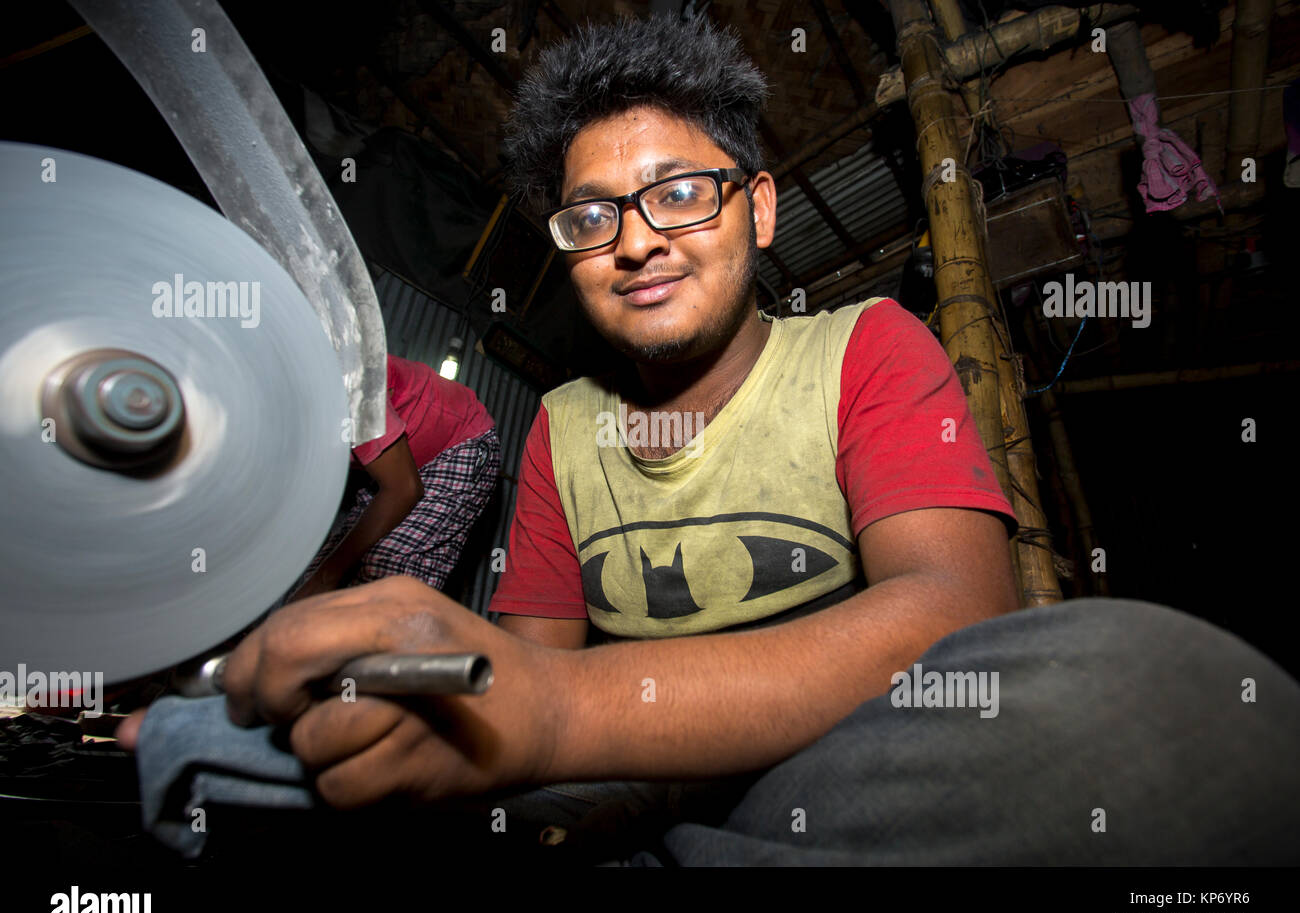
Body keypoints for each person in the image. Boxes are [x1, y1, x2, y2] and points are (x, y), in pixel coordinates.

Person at [119, 14, 1298, 866]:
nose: (637, 241)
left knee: (1166, 703)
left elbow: (954, 618)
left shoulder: (866, 349)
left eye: (682, 192)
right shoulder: (564, 433)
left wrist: (555, 712)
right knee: (219, 742)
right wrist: (451, 705)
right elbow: (528, 677)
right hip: (626, 794)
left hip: (845, 775)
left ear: (760, 208)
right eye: (591, 216)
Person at [288, 352, 499, 599]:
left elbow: (404, 489)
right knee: (323, 573)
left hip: (461, 443)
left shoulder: (350, 390)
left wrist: (325, 578)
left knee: (384, 570)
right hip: (399, 461)